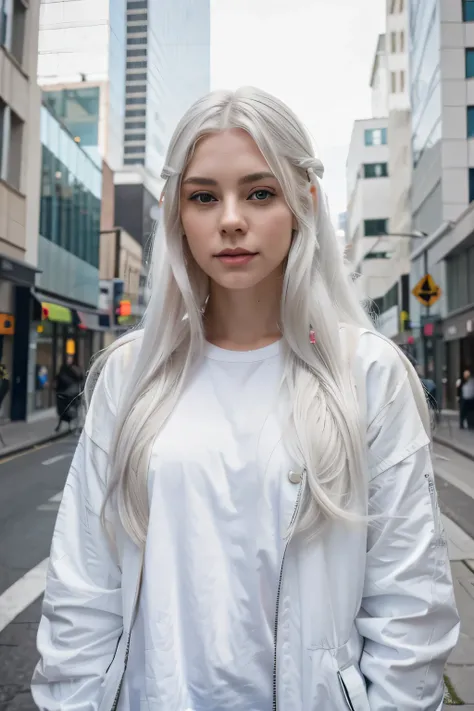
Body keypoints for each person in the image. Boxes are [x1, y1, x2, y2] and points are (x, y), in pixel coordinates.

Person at [31, 87, 459, 711]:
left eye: (260, 192)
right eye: (204, 196)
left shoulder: (367, 375)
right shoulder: (130, 376)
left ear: (304, 204)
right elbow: (82, 587)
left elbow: (410, 604)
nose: (231, 218)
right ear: (176, 214)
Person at [53, 355, 84, 432]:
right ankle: (63, 425)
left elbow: (80, 378)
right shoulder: (63, 368)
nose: (69, 360)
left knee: (72, 409)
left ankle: (73, 425)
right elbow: (58, 378)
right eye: (68, 359)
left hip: (71, 393)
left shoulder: (74, 369)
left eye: (70, 359)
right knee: (62, 410)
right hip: (63, 392)